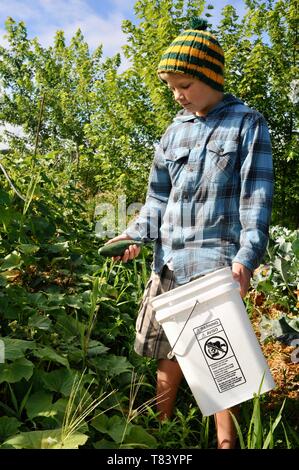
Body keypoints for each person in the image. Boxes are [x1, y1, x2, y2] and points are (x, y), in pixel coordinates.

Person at [105, 18, 273, 449]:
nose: (178, 95)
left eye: (185, 85)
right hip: (169, 262)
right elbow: (157, 198)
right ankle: (163, 431)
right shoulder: (174, 130)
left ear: (210, 77)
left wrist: (245, 258)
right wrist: (135, 236)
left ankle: (226, 442)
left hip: (215, 263)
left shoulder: (247, 124)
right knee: (166, 350)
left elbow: (256, 198)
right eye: (171, 88)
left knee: (219, 359)